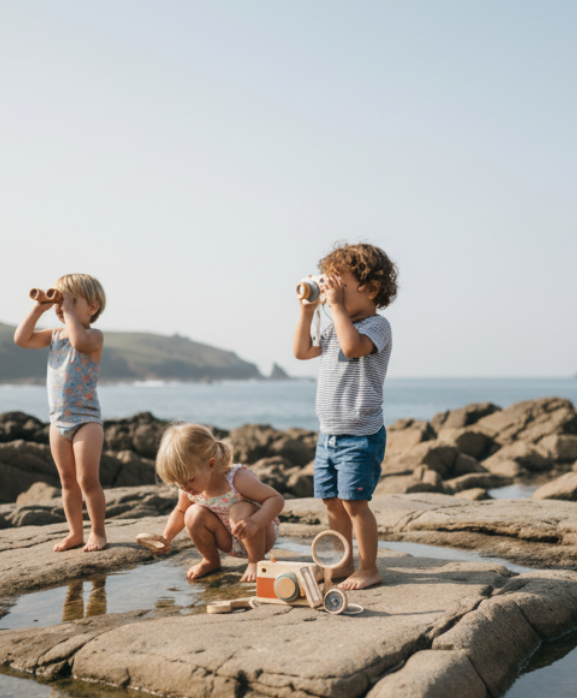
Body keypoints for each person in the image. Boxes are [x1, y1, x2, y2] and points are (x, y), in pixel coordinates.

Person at [292, 242, 398, 590]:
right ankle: (342, 562)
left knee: (355, 504)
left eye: (340, 286)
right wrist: (309, 310)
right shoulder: (336, 325)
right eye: (329, 286)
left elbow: (353, 348)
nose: (331, 293)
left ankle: (369, 567)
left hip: (360, 434)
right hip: (329, 434)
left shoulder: (377, 326)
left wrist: (335, 307)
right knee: (332, 504)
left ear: (371, 289)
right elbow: (302, 351)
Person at [14, 274, 108, 553]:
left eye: (71, 300)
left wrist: (66, 311)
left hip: (86, 420)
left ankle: (98, 532)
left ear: (92, 308)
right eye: (61, 300)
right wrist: (40, 307)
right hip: (58, 421)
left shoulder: (93, 336)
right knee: (67, 481)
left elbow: (79, 343)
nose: (62, 305)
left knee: (87, 480)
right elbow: (22, 339)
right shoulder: (55, 335)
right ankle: (75, 533)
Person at [155, 423, 284, 582]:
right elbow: (180, 512)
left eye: (190, 480)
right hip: (228, 541)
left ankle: (256, 561)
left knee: (239, 509)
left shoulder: (237, 478)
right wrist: (166, 538)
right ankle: (211, 561)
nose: (185, 487)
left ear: (211, 464)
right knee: (192, 513)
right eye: (178, 483)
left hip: (259, 535)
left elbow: (275, 499)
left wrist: (255, 522)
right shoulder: (189, 488)